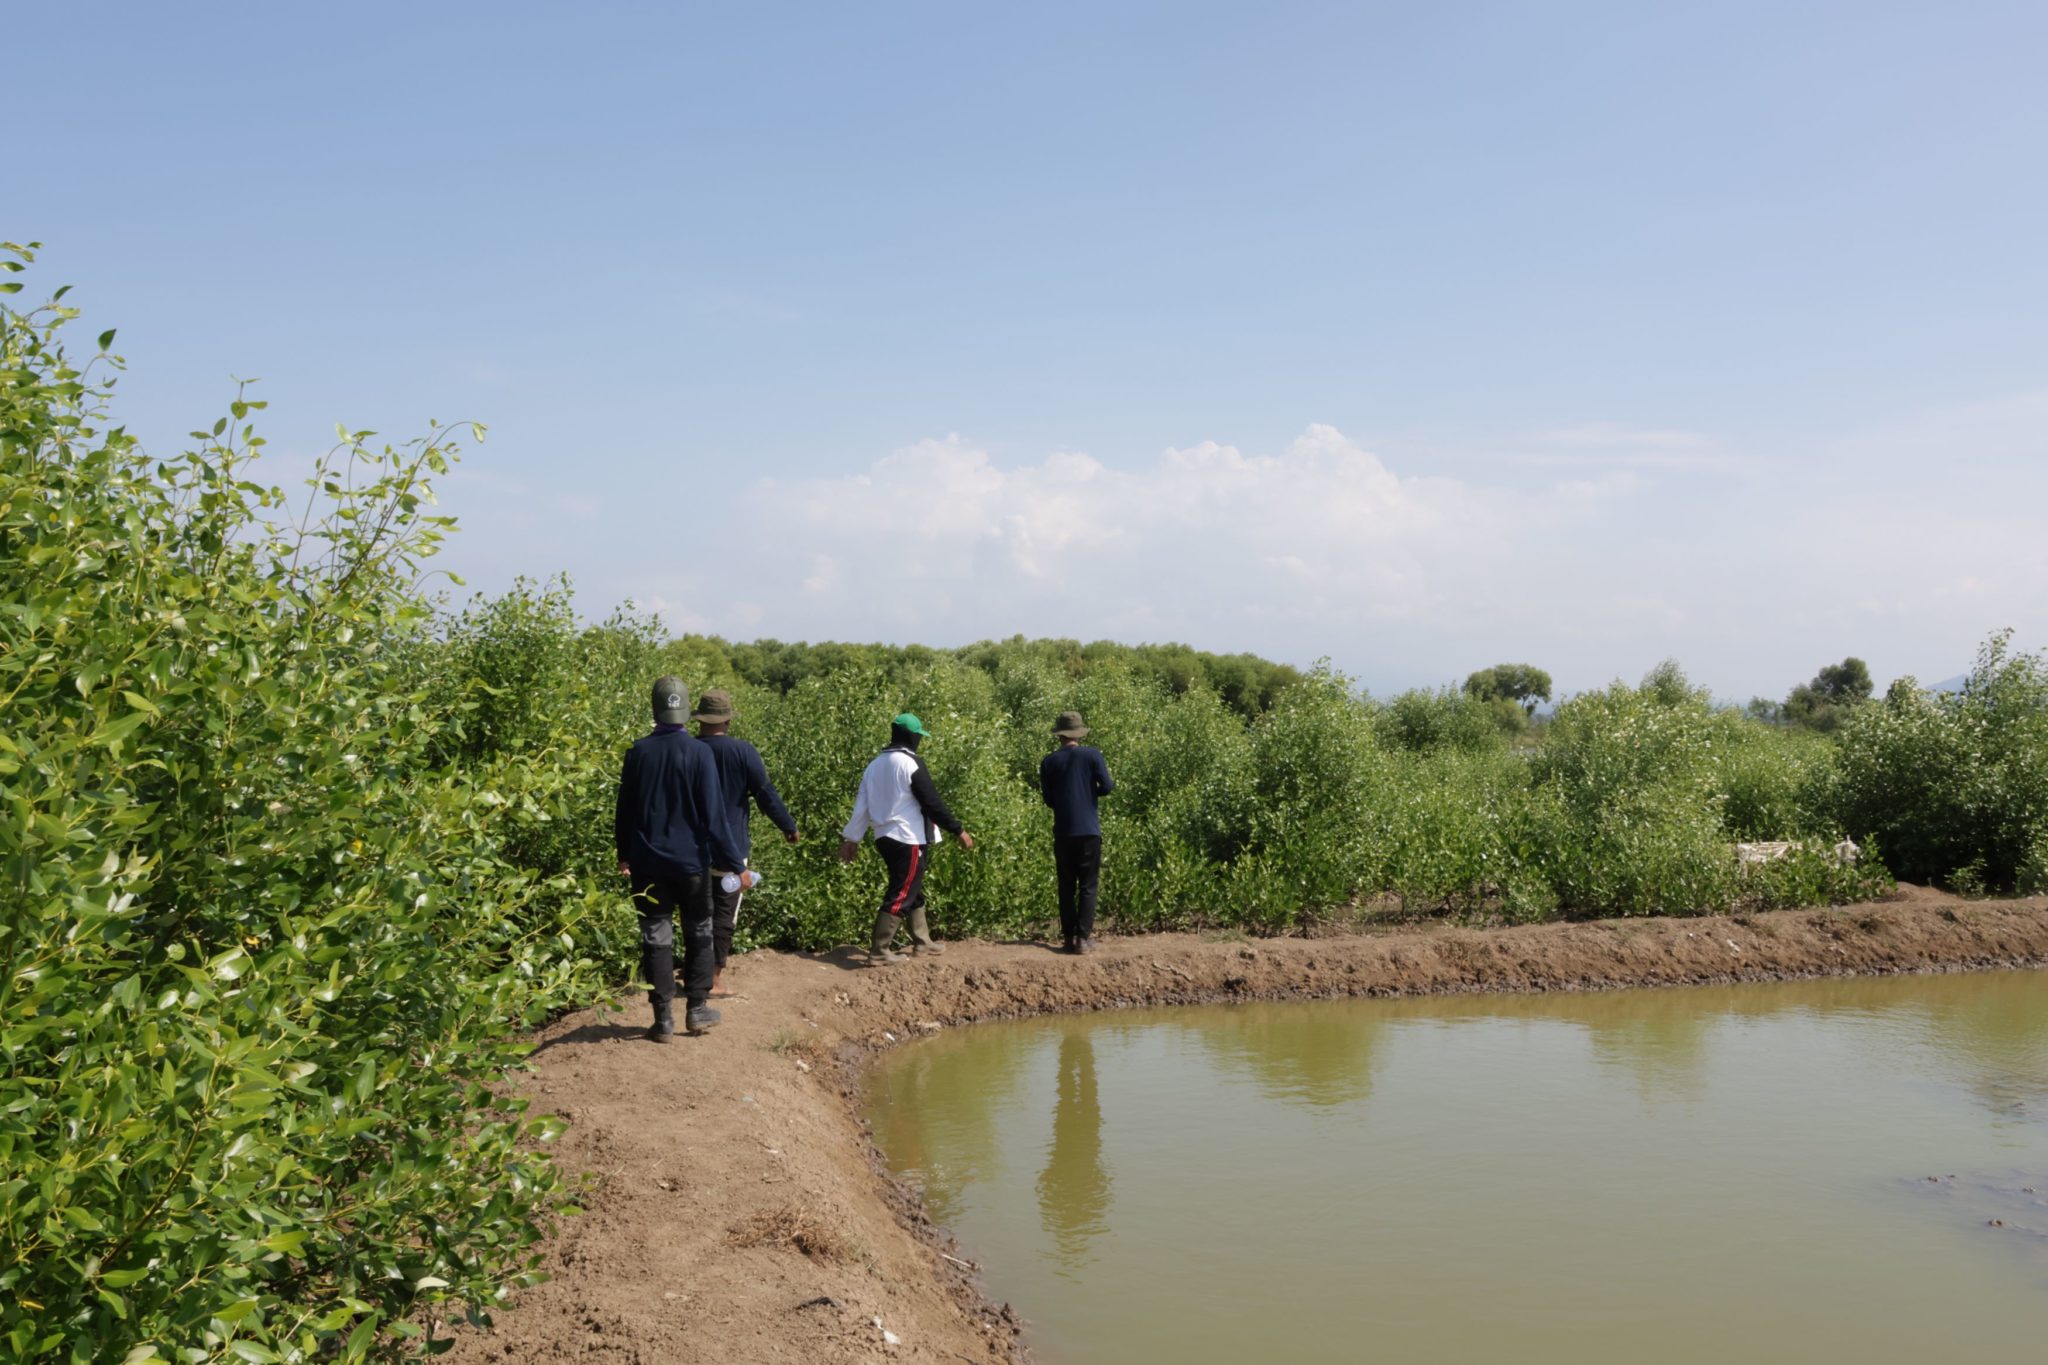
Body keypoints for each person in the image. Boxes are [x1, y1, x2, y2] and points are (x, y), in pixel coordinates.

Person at [615, 676, 750, 1042]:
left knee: (656, 936)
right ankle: (696, 1009)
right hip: (691, 863)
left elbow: (624, 810)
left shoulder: (638, 752)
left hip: (647, 864)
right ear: (687, 712)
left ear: (654, 709)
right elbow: (714, 817)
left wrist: (624, 854)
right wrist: (737, 864)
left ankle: (662, 1020)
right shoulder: (699, 752)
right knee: (699, 931)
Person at [837, 712, 974, 964]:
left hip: (884, 838)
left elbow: (861, 806)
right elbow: (932, 802)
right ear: (912, 737)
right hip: (907, 838)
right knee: (901, 892)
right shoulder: (910, 763)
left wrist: (852, 839)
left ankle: (923, 942)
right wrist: (958, 830)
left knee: (912, 886)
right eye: (919, 736)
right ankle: (879, 951)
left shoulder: (874, 765)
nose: (920, 741)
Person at [691, 688, 799, 997]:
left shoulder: (687, 749)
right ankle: (712, 979)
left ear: (700, 720)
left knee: (696, 911)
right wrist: (787, 826)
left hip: (691, 848)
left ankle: (694, 968)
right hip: (731, 849)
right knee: (725, 912)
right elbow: (765, 792)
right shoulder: (742, 752)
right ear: (727, 720)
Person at [1039, 710, 1113, 954]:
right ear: (1079, 733)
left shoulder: (1049, 762)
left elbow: (1049, 800)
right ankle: (1083, 938)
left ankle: (1069, 938)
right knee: (1088, 886)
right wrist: (1090, 793)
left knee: (1066, 886)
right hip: (1089, 830)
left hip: (1063, 831)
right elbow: (1107, 786)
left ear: (1059, 735)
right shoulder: (1092, 755)